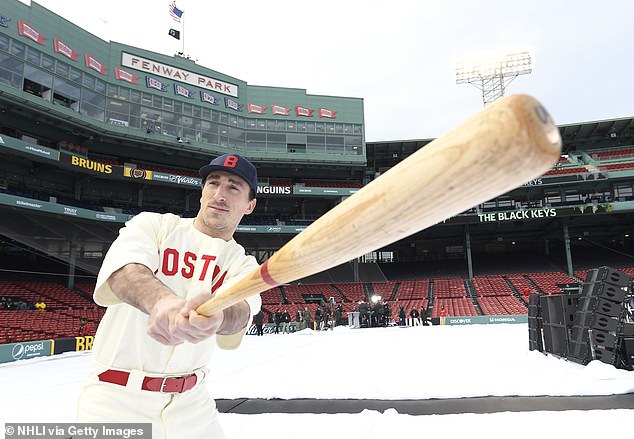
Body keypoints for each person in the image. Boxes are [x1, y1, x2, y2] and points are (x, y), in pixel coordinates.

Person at [76, 153, 262, 439]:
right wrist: (161, 301)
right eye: (213, 183)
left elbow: (243, 311)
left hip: (193, 404)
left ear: (250, 205)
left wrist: (220, 316)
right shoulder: (154, 226)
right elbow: (126, 271)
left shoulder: (244, 264)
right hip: (116, 399)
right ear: (202, 192)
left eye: (233, 187)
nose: (219, 194)